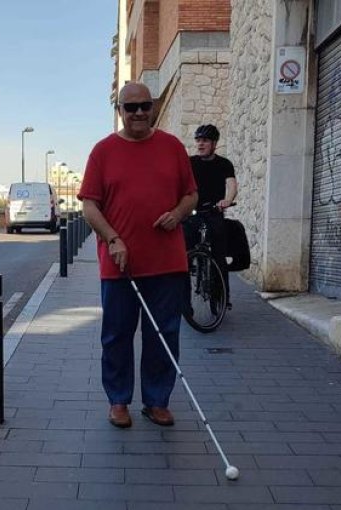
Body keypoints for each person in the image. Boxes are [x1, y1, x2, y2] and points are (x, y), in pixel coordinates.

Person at [79, 82, 198, 429]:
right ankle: (118, 401)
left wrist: (177, 214)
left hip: (166, 262)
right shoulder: (103, 152)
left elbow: (190, 195)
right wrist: (112, 238)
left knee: (163, 333)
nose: (139, 113)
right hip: (120, 264)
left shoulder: (172, 147)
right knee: (116, 335)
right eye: (131, 108)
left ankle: (157, 401)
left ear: (153, 107)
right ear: (120, 112)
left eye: (145, 105)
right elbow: (89, 205)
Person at [187, 123, 238, 308]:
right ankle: (185, 302)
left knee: (219, 255)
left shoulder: (224, 164)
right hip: (192, 212)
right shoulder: (189, 163)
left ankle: (223, 297)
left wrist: (227, 200)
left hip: (214, 211)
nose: (200, 144)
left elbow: (231, 185)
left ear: (214, 143)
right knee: (184, 255)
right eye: (198, 140)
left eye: (205, 140)